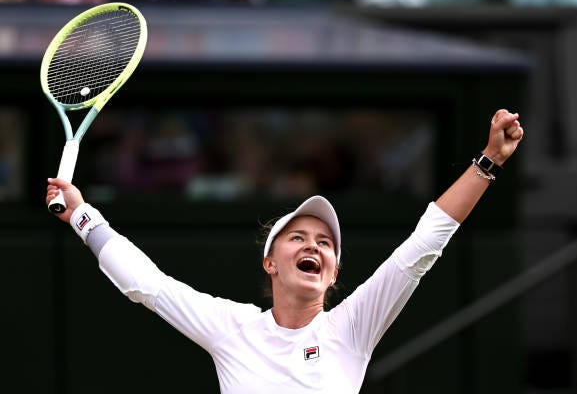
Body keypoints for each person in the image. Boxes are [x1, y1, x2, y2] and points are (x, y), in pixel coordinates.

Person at [45, 109, 524, 393]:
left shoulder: (352, 327)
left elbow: (423, 245)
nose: (314, 245)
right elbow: (146, 285)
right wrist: (83, 216)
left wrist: (489, 161)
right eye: (298, 237)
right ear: (270, 263)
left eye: (325, 243)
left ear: (334, 273)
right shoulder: (232, 329)